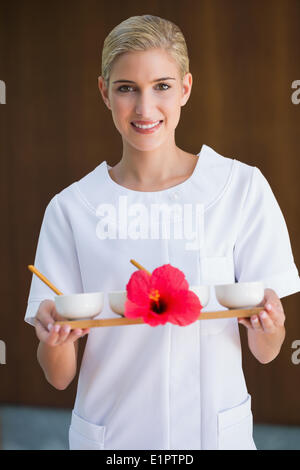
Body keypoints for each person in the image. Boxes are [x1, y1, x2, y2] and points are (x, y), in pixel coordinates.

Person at [24, 14, 300, 450]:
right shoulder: (71, 209)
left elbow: (266, 351)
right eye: (126, 88)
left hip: (213, 436)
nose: (145, 108)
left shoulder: (240, 189)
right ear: (104, 92)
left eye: (162, 86)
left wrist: (269, 324)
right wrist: (54, 340)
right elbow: (58, 377)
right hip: (113, 439)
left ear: (186, 88)